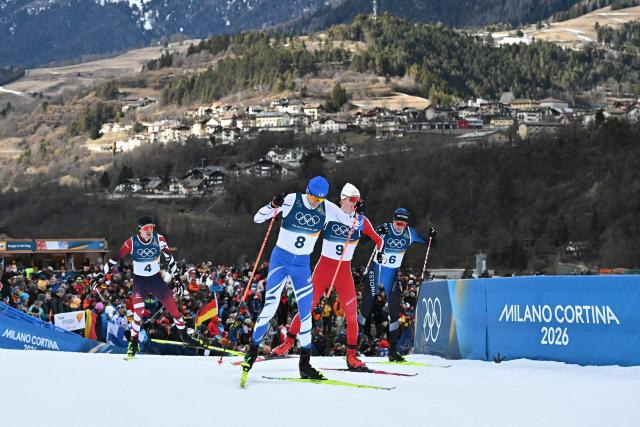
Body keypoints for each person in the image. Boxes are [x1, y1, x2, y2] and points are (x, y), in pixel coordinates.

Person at [240, 176, 357, 384]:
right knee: (270, 306)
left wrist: (358, 208)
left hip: (302, 265)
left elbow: (349, 220)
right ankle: (252, 351)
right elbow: (258, 218)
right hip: (281, 259)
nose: (315, 202)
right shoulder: (292, 200)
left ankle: (305, 365)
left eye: (320, 199)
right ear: (307, 191)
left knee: (306, 314)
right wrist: (273, 204)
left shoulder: (327, 208)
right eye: (313, 197)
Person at [270, 183, 384, 371]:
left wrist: (379, 254)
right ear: (343, 199)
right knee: (307, 307)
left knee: (351, 314)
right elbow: (308, 220)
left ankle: (352, 356)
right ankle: (287, 343)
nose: (356, 204)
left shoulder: (362, 220)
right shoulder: (329, 213)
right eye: (353, 200)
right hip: (324, 267)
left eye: (359, 201)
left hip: (344, 272)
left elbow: (379, 242)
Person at [100, 216, 191, 358]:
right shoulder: (131, 242)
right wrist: (100, 276)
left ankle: (185, 337)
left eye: (152, 227)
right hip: (140, 281)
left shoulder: (159, 239)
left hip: (155, 279)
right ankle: (133, 343)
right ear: (139, 230)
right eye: (146, 228)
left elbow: (170, 259)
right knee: (138, 312)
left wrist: (177, 279)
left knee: (172, 307)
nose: (150, 230)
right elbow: (114, 260)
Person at [359, 207, 436, 362]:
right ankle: (353, 347)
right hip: (377, 270)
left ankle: (393, 351)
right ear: (393, 220)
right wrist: (373, 232)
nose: (399, 225)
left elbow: (430, 245)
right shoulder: (385, 228)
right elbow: (362, 241)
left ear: (406, 223)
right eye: (397, 222)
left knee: (395, 312)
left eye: (402, 223)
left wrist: (433, 237)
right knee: (366, 308)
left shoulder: (410, 233)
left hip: (392, 274)